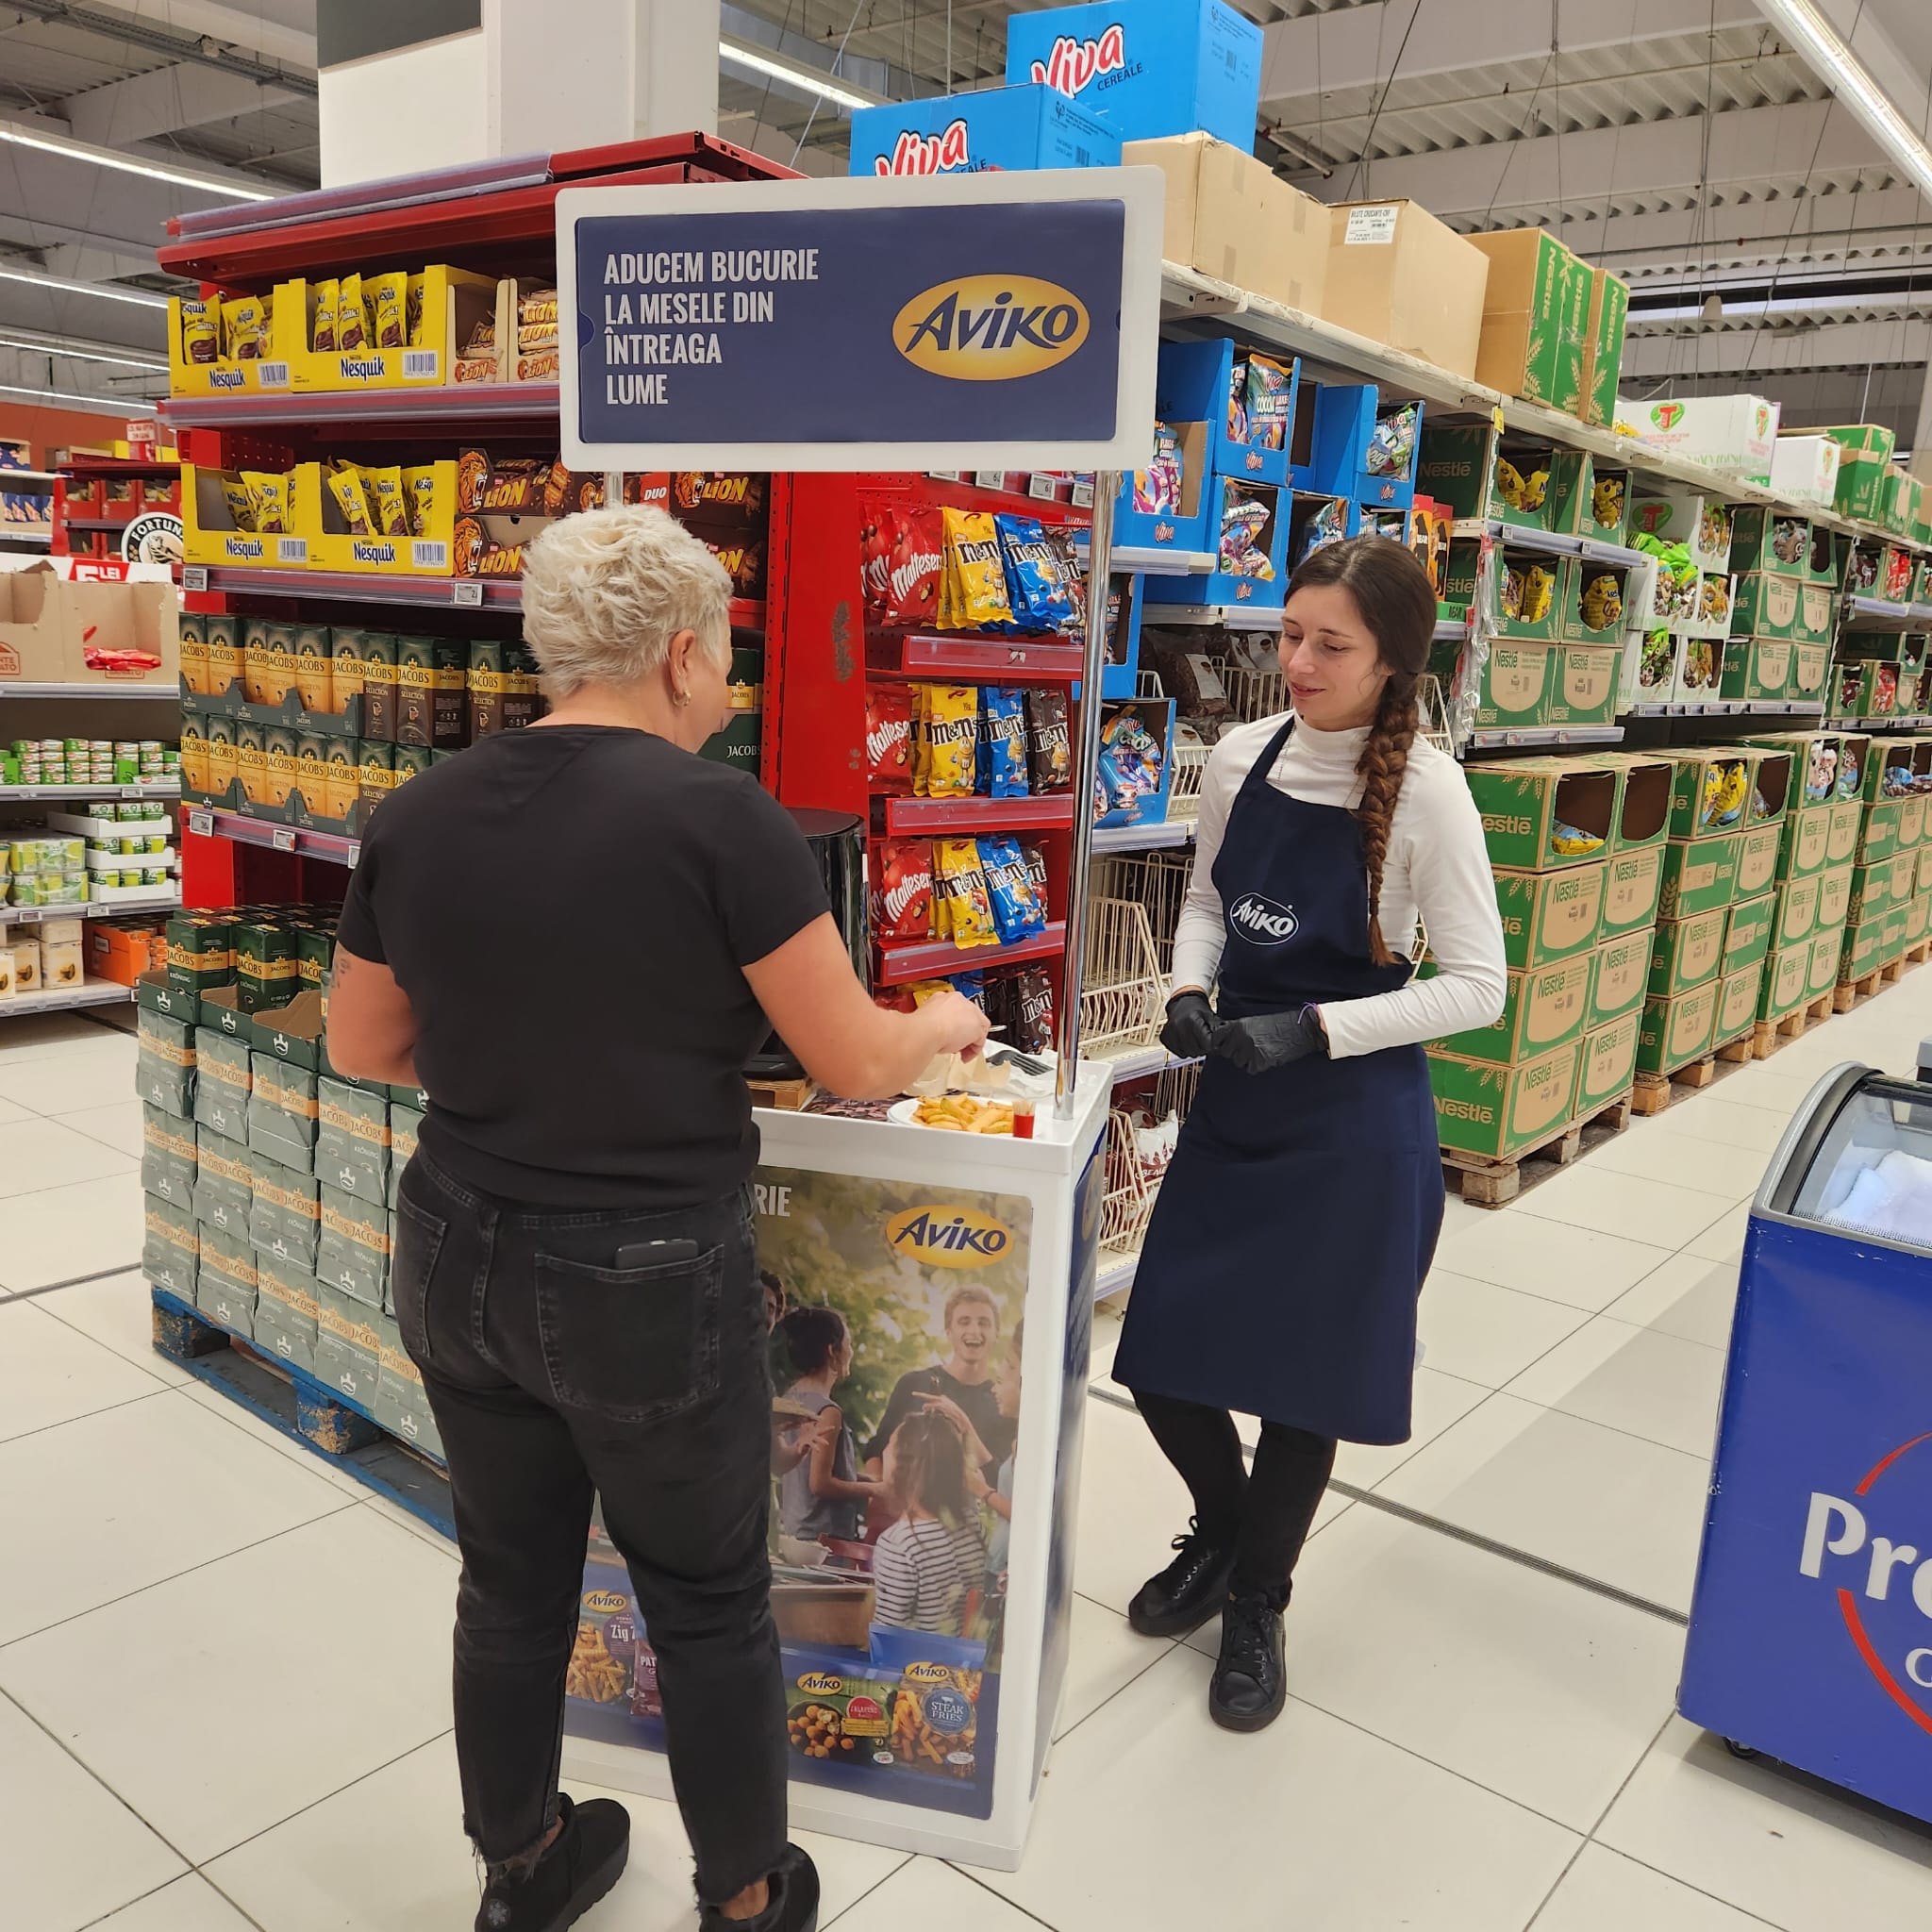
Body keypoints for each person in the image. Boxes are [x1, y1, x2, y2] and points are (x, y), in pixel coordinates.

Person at [325, 505, 989, 1932]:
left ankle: (521, 1867)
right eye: (726, 659)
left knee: (509, 1582)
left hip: (453, 1245)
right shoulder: (721, 816)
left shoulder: (419, 810)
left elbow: (362, 1043)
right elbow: (851, 1057)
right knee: (703, 1593)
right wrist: (942, 1020)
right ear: (680, 653)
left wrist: (526, 1058)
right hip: (641, 1273)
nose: (729, 690)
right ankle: (746, 1893)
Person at [1112, 537, 1506, 1734]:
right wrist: (1187, 986)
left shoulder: (1429, 790)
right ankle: (1227, 1530)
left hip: (1352, 1125)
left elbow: (1477, 986)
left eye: (1330, 644)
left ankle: (1256, 1601)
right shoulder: (1241, 755)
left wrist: (1315, 1028)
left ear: (1390, 662)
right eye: (1289, 634)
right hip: (1237, 1104)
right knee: (1161, 1360)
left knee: (1301, 1390)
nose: (1297, 660)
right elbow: (1206, 900)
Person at [861, 1283, 1012, 1491]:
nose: (974, 1330)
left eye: (984, 1323)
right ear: (949, 1331)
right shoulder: (913, 1383)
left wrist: (963, 1424)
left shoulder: (1004, 1401)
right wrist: (881, 1497)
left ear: (996, 1333)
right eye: (964, 1322)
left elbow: (1001, 1481)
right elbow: (876, 1450)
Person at [773, 1307, 879, 1562]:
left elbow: (808, 1469)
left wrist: (871, 1480)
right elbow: (820, 1483)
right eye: (848, 1343)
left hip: (794, 1537)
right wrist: (876, 1490)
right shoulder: (827, 1410)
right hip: (823, 1544)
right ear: (832, 1350)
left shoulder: (789, 1400)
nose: (851, 1351)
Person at [870, 1408, 988, 1636]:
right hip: (962, 1656)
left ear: (901, 1467)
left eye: (889, 1447)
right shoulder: (973, 1525)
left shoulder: (898, 1544)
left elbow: (887, 1637)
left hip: (917, 1658)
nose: (883, 1452)